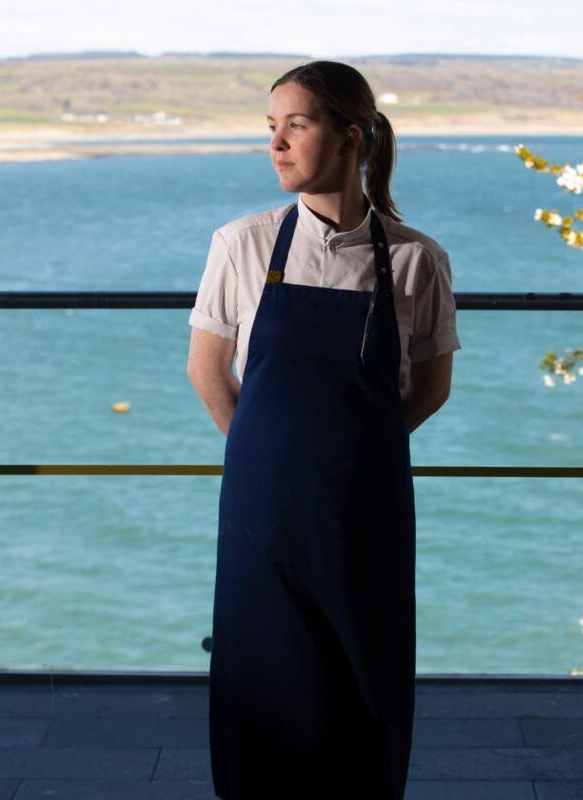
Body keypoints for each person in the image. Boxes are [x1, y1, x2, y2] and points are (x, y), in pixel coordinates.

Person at [187, 60, 460, 800]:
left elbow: (431, 388)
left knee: (360, 680)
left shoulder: (414, 260)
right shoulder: (241, 244)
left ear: (352, 135)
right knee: (263, 677)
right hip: (262, 510)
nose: (275, 144)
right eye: (270, 129)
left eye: (295, 126)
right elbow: (208, 371)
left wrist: (353, 457)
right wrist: (268, 457)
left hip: (366, 510)